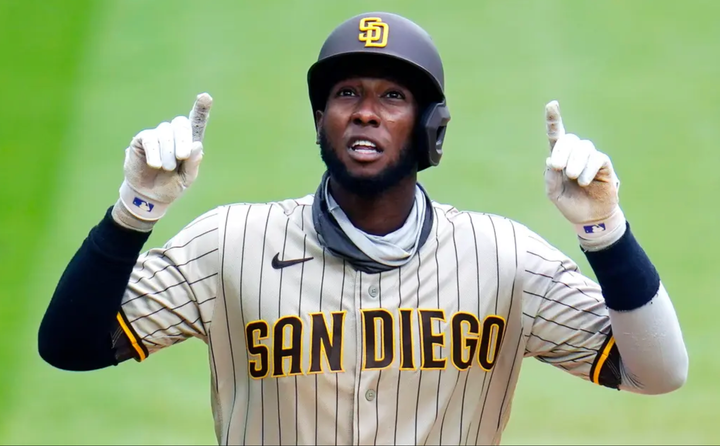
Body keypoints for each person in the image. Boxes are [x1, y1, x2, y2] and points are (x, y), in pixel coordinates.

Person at [38, 11, 688, 446]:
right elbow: (71, 346)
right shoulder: (229, 245)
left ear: (432, 127)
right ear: (321, 119)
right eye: (347, 94)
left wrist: (604, 228)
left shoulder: (503, 258)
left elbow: (658, 371)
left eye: (393, 97)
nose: (366, 114)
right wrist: (134, 212)